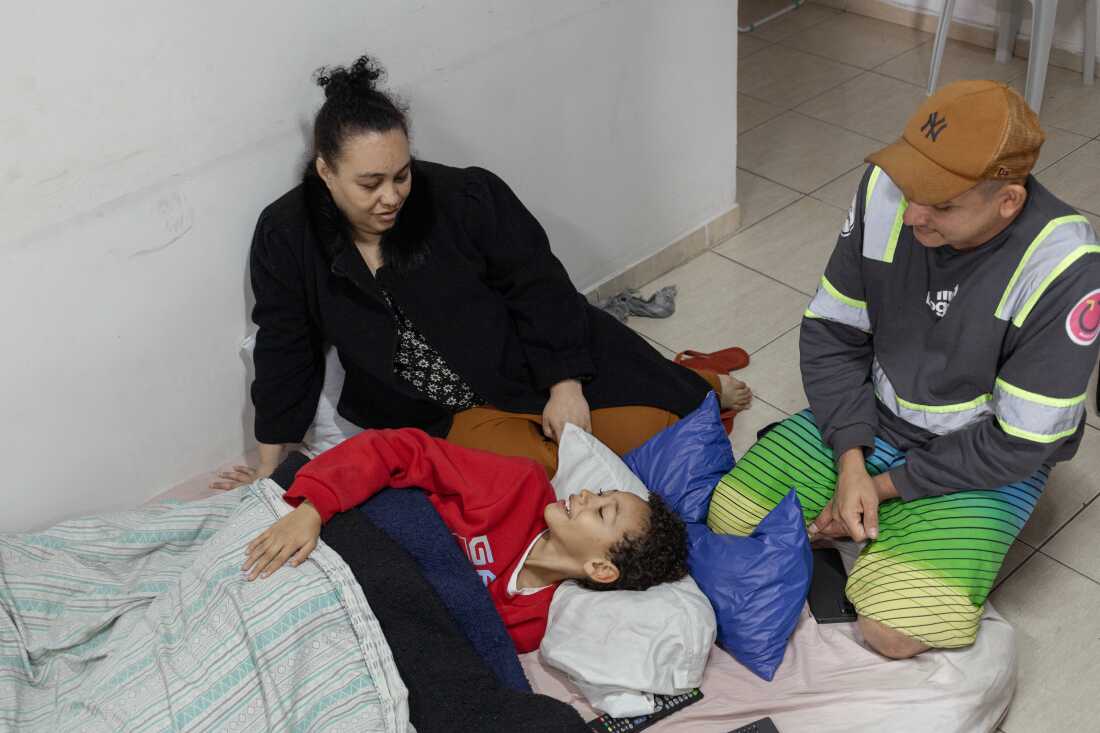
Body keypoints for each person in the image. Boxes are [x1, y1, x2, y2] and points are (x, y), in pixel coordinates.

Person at [212, 54, 750, 490]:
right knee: (546, 483)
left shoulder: (463, 196)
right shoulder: (287, 236)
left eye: (402, 175)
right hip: (439, 409)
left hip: (522, 361)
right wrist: (269, 464)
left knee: (672, 428)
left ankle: (697, 382)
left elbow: (538, 285)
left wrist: (564, 387)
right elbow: (285, 345)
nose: (391, 196)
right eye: (370, 182)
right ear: (325, 171)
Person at [706, 80, 1100, 659]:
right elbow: (831, 333)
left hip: (983, 456)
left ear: (1008, 201)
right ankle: (884, 533)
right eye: (914, 186)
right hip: (879, 420)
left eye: (942, 204)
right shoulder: (886, 190)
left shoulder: (1065, 266)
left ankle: (909, 536)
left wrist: (883, 488)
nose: (914, 211)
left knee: (890, 631)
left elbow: (1019, 441)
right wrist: (850, 464)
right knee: (730, 516)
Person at [242, 427, 689, 653]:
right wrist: (313, 507)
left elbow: (437, 638)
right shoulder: (520, 487)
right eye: (601, 493)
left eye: (602, 511)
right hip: (328, 535)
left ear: (601, 568)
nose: (587, 494)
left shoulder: (533, 624)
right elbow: (402, 450)